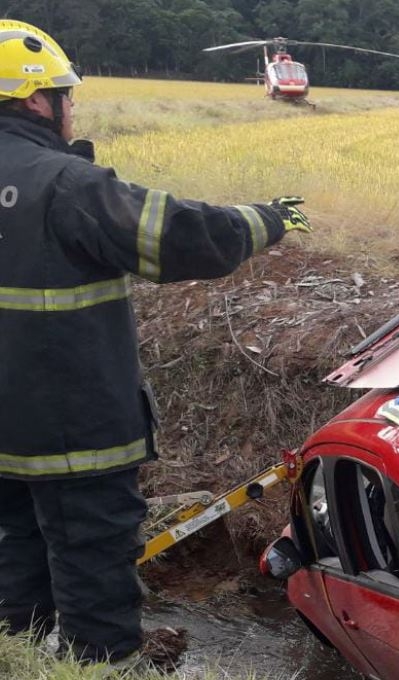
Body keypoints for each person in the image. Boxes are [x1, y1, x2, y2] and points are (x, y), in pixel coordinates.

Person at [0, 20, 311, 665]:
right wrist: (272, 218)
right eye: (65, 94)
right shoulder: (65, 185)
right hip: (73, 432)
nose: (71, 107)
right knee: (93, 565)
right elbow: (179, 236)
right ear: (35, 99)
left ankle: (21, 658)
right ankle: (102, 668)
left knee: (15, 554)